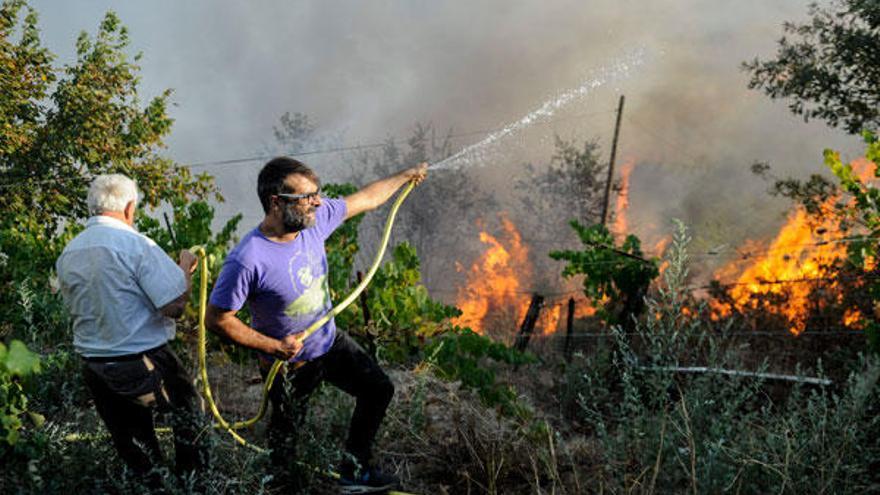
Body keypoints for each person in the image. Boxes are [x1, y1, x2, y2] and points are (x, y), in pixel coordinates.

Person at [206, 157, 427, 493]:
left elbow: (365, 198)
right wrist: (273, 347)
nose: (318, 202)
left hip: (328, 342)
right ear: (276, 203)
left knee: (378, 388)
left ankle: (355, 470)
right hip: (287, 364)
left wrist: (405, 175)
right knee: (286, 441)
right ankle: (284, 485)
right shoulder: (247, 259)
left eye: (317, 194)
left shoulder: (314, 220)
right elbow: (217, 319)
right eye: (307, 197)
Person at [56, 174, 208, 487]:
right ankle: (194, 484)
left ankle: (154, 486)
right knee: (191, 416)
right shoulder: (136, 244)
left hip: (95, 366)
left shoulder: (69, 252)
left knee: (136, 445)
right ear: (129, 207)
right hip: (143, 361)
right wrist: (184, 268)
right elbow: (175, 306)